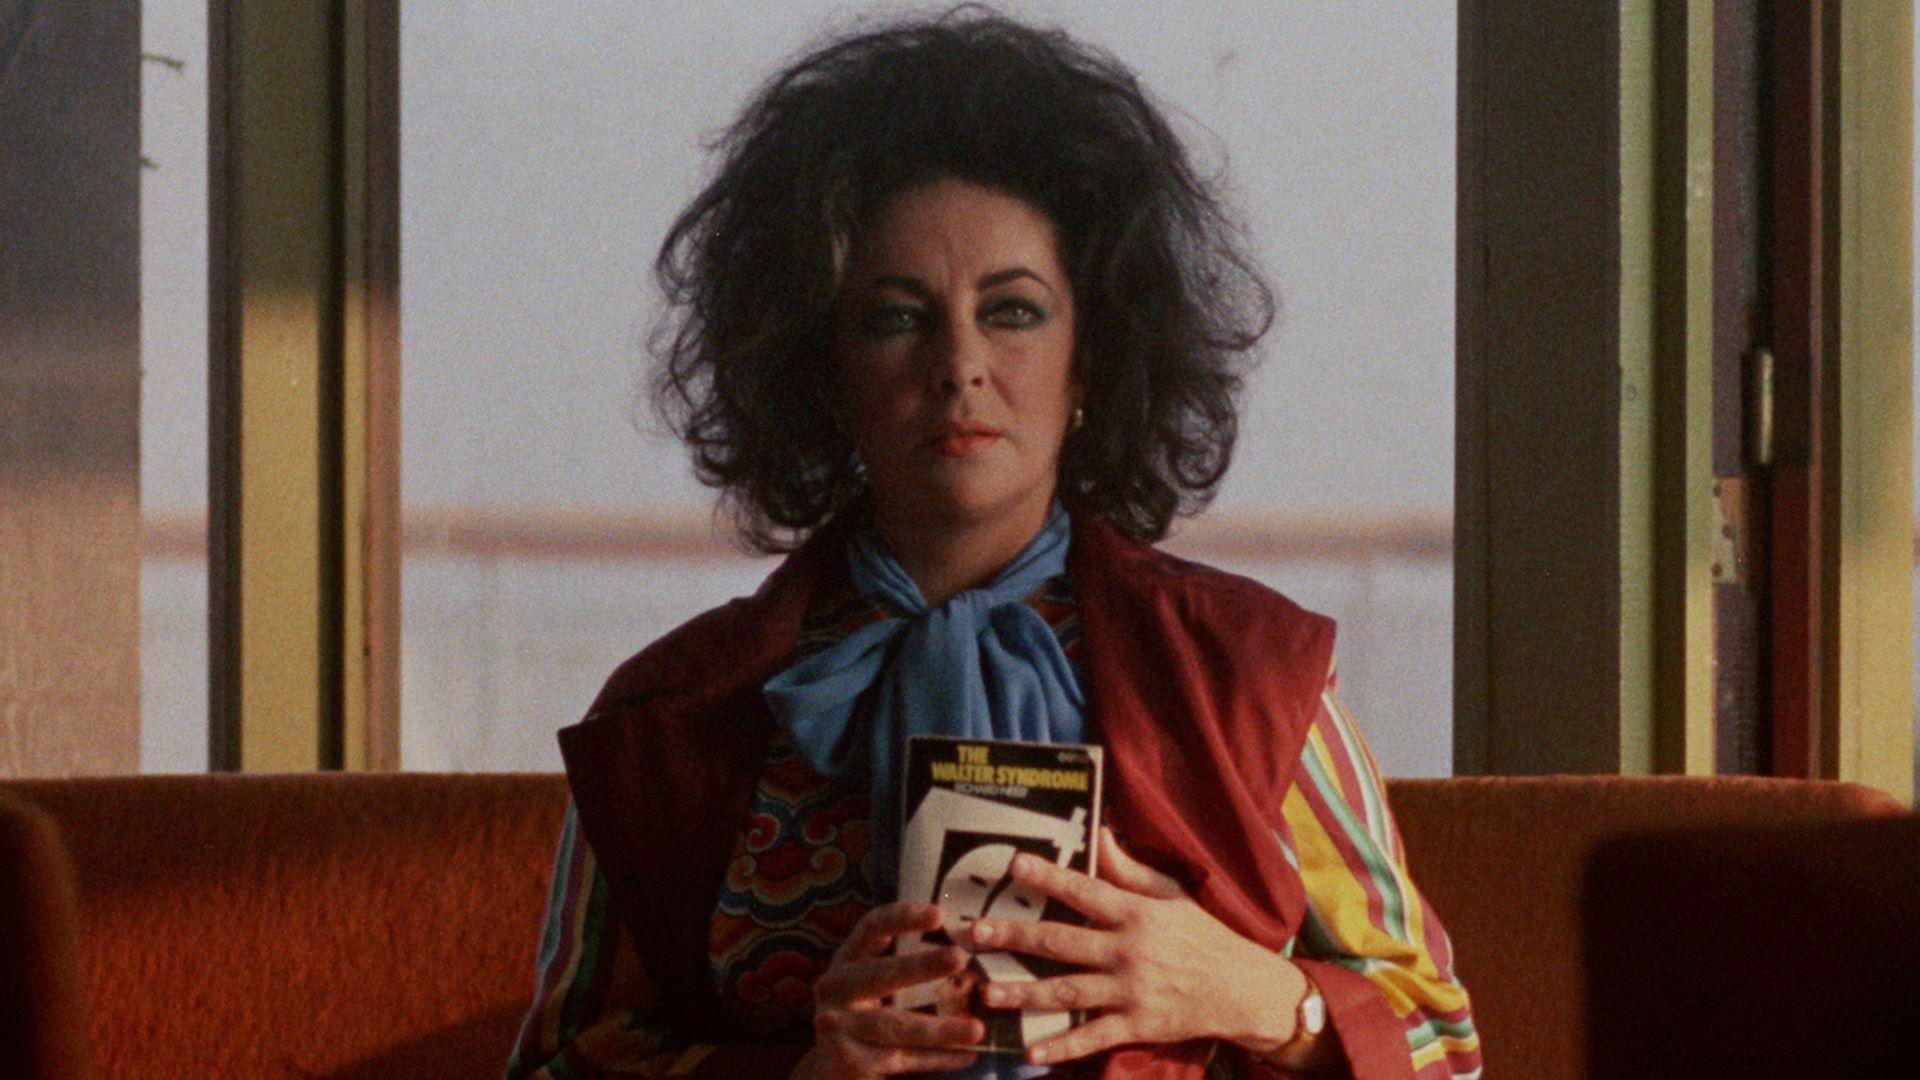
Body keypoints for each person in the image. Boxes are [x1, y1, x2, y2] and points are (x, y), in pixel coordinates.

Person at [506, 9, 1479, 1080]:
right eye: (897, 318)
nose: (959, 364)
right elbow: (556, 1066)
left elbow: (1447, 1051)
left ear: (1092, 359)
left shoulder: (1254, 677)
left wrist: (1249, 994)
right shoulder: (667, 718)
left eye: (1012, 311)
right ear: (822, 371)